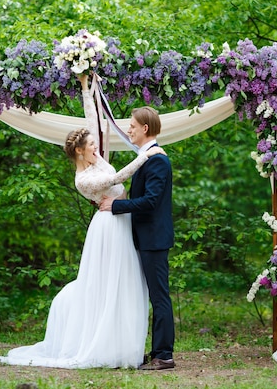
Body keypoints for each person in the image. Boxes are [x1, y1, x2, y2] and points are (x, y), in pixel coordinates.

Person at [0, 75, 165, 369]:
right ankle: (101, 342)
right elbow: (116, 179)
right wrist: (146, 154)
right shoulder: (85, 179)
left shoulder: (95, 159)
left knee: (124, 284)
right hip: (109, 226)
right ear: (80, 151)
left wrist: (86, 87)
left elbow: (92, 119)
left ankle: (123, 344)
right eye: (91, 144)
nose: (96, 146)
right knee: (109, 284)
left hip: (122, 221)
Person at [99, 106, 175, 371]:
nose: (128, 129)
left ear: (145, 128)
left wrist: (116, 206)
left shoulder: (157, 160)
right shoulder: (145, 157)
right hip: (143, 238)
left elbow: (152, 201)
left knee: (159, 296)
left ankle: (164, 354)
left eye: (132, 125)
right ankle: (152, 351)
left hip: (154, 239)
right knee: (143, 295)